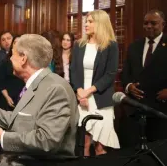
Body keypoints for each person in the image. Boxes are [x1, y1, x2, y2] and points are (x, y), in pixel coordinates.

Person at [0, 34, 79, 166]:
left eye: (12, 55)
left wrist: (2, 137)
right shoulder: (38, 83)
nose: (10, 59)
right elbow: (18, 119)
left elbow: (46, 141)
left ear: (23, 59)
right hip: (19, 162)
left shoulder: (55, 89)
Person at [70, 10, 120, 156]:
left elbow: (110, 74)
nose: (86, 24)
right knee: (84, 144)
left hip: (101, 99)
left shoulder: (111, 46)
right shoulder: (79, 45)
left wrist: (89, 91)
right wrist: (80, 92)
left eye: (90, 21)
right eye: (86, 21)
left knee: (100, 147)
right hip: (82, 99)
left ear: (100, 24)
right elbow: (73, 70)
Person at [121, 9, 167, 142]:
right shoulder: (134, 46)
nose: (149, 26)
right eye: (146, 23)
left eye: (153, 23)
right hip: (136, 110)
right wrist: (129, 86)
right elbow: (125, 73)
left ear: (163, 24)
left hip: (161, 111)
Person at [0, 35, 25, 111]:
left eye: (20, 42)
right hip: (7, 98)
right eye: (15, 42)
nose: (17, 44)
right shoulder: (5, 62)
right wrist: (7, 97)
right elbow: (1, 83)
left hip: (23, 98)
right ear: (12, 45)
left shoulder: (26, 61)